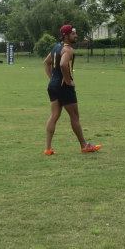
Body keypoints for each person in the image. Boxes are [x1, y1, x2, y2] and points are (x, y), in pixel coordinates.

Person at [43, 24, 100, 155]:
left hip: (53, 86)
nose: (76, 35)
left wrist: (52, 79)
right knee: (74, 116)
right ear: (66, 36)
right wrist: (68, 81)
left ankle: (48, 149)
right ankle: (84, 146)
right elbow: (63, 64)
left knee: (54, 115)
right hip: (64, 87)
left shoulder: (56, 47)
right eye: (73, 33)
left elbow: (46, 62)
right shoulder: (68, 50)